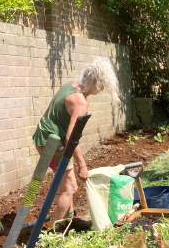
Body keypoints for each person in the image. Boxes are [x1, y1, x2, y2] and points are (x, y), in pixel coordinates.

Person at [32, 57, 121, 225]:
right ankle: (56, 233)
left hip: (44, 138)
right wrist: (82, 165)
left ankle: (71, 220)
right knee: (70, 187)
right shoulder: (81, 102)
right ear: (97, 82)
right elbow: (71, 138)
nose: (101, 90)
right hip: (53, 143)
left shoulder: (70, 86)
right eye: (102, 86)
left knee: (67, 182)